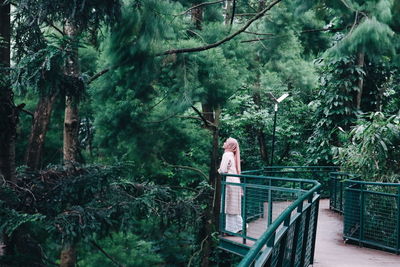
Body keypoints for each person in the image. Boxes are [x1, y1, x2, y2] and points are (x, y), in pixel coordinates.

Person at [218, 137, 243, 234]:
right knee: (234, 205)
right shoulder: (232, 154)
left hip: (230, 182)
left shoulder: (226, 154)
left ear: (230, 145)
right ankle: (239, 226)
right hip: (235, 181)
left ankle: (231, 230)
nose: (224, 143)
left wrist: (218, 171)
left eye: (226, 142)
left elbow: (223, 170)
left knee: (230, 206)